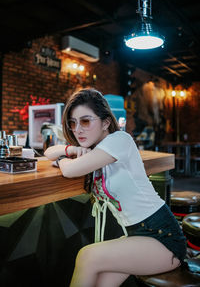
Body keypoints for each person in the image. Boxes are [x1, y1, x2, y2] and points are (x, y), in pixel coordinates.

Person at [44, 88, 187, 287]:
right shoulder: (96, 150)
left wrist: (62, 160)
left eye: (85, 121)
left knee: (87, 255)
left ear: (106, 122)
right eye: (73, 123)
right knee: (100, 282)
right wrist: (72, 149)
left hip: (163, 238)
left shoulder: (120, 140)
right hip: (137, 236)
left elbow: (69, 170)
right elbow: (49, 151)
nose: (77, 129)